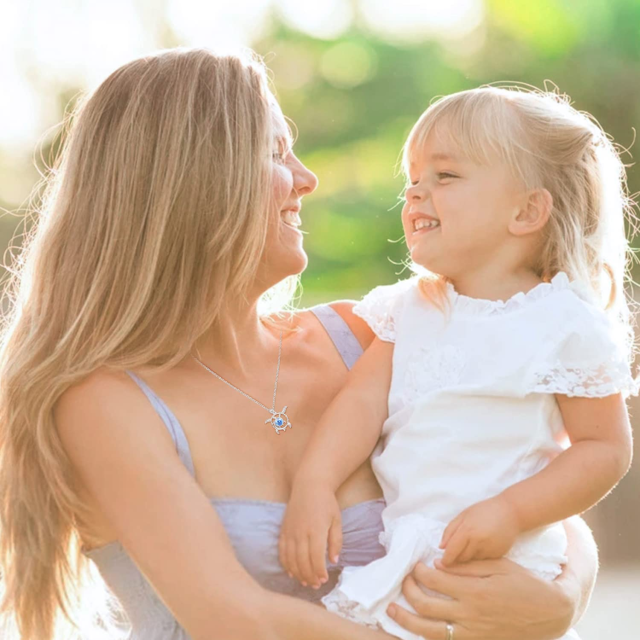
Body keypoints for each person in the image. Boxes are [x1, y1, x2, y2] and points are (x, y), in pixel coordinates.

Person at [0, 50, 598, 640]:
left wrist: (563, 596)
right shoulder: (104, 402)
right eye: (276, 152)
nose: (308, 180)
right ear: (194, 180)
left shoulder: (365, 339)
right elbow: (234, 619)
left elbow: (523, 476)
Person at [279, 86, 637, 640]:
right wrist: (315, 482)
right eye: (412, 181)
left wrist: (513, 513)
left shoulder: (565, 323)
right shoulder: (411, 308)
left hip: (506, 566)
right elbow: (360, 403)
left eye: (444, 177)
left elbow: (604, 448)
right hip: (405, 556)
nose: (417, 194)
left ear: (526, 211)